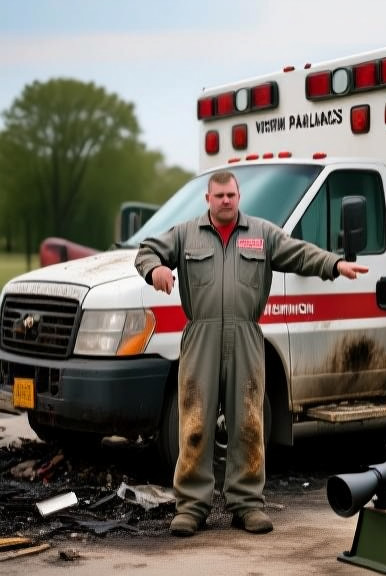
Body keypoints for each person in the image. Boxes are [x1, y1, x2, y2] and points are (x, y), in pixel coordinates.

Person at [134, 170, 369, 537]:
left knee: (248, 423)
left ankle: (246, 505)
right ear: (208, 199)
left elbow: (299, 254)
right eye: (219, 195)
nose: (226, 201)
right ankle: (192, 508)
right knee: (194, 424)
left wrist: (334, 264)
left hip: (246, 336)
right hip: (201, 335)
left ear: (239, 196)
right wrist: (157, 270)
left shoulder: (262, 233)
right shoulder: (184, 234)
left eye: (231, 195)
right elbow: (146, 252)